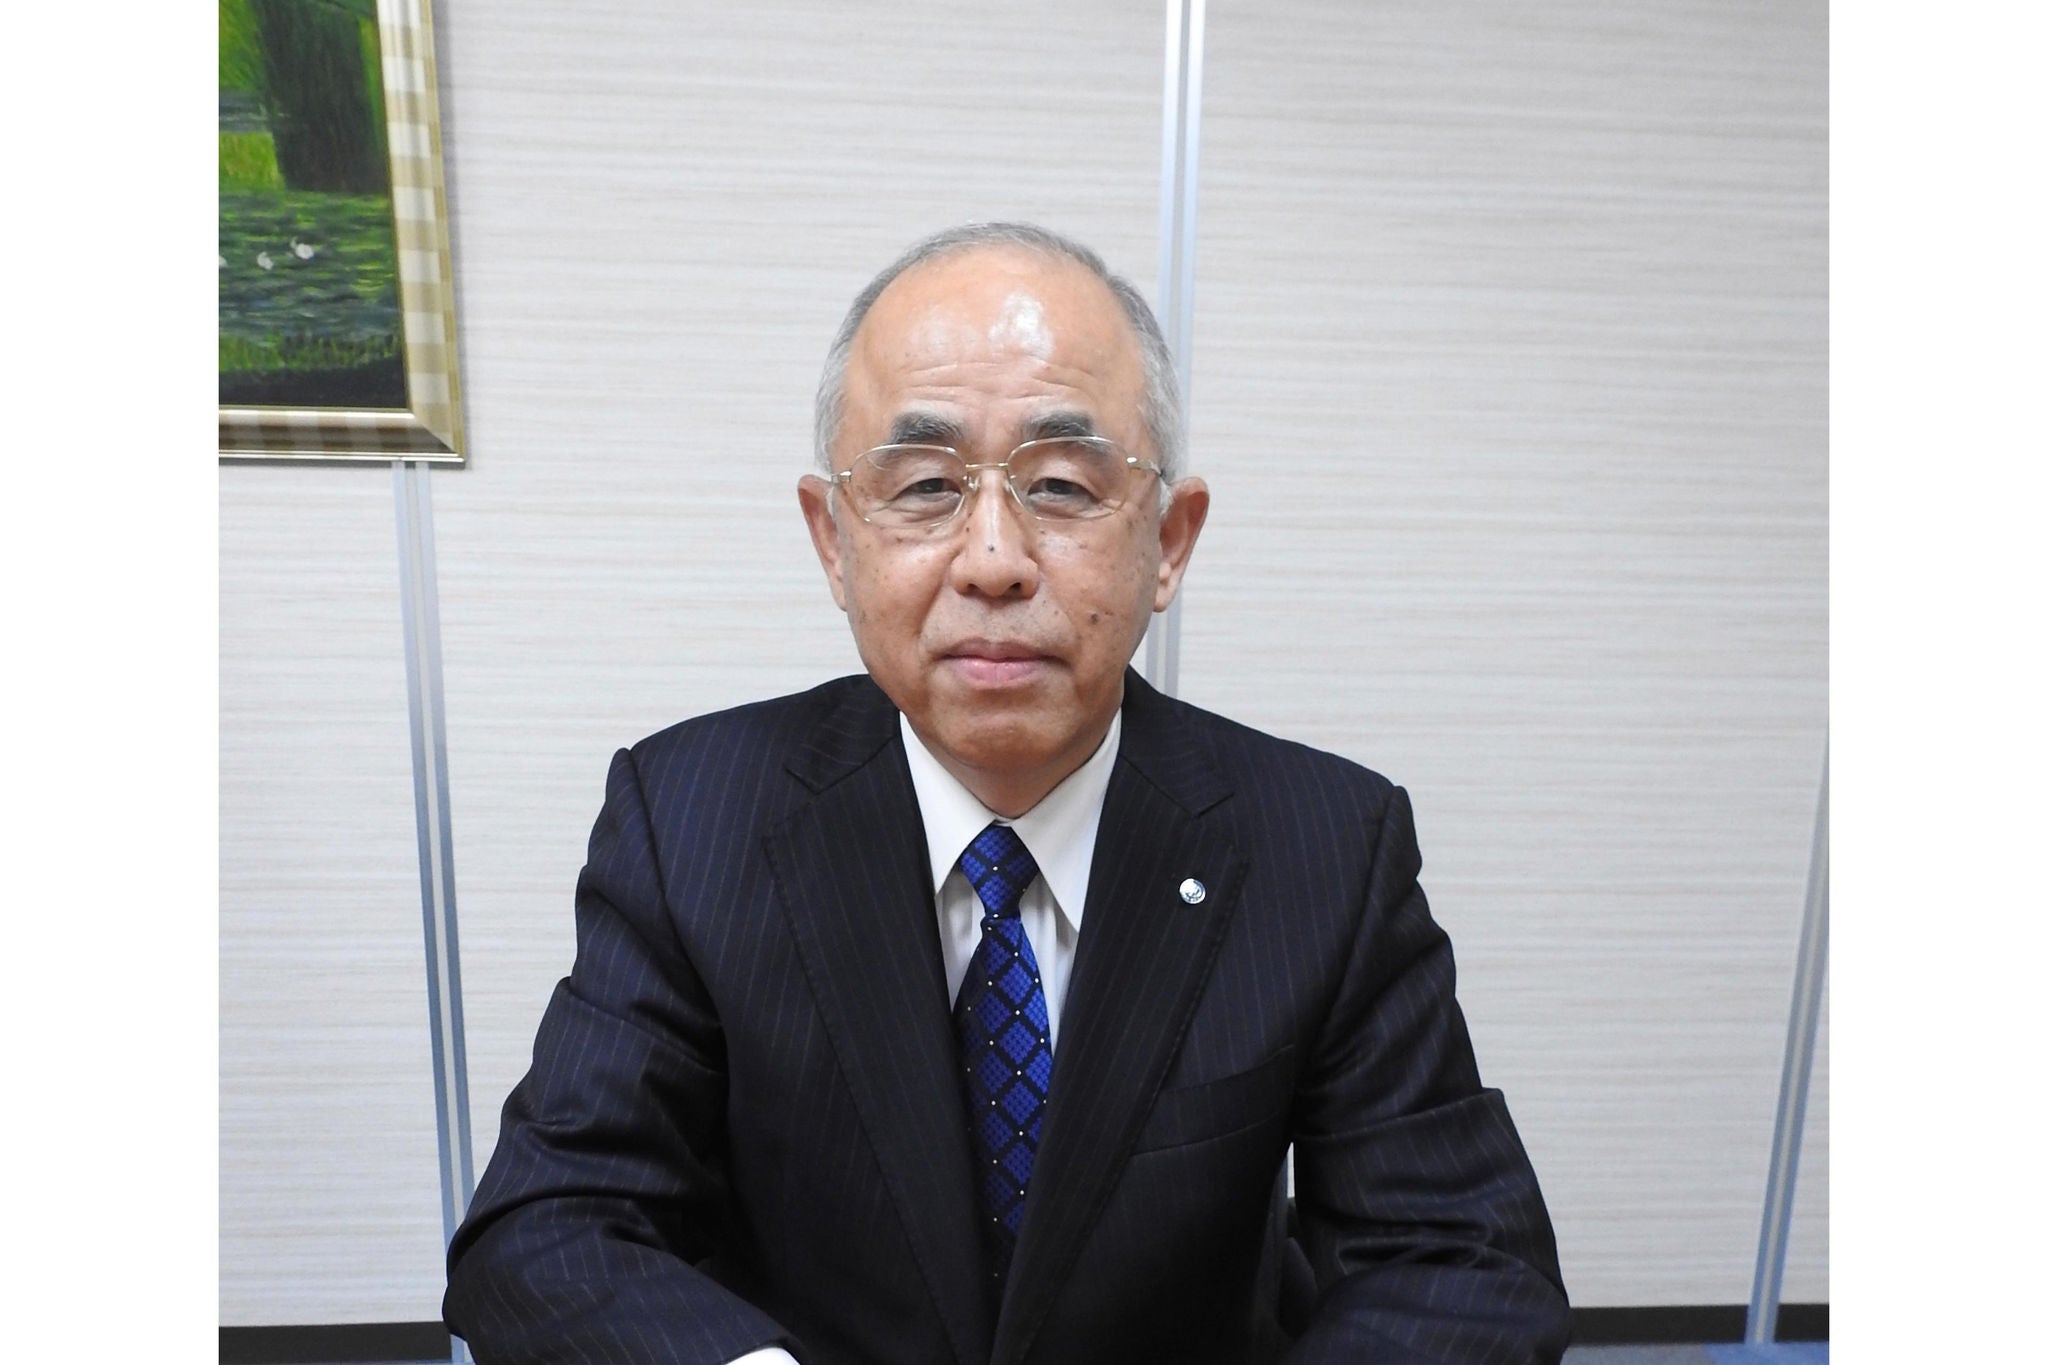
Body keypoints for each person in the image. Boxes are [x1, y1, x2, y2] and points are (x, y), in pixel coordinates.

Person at [444, 222, 1570, 1364]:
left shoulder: (1326, 845)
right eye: (926, 486)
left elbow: (1459, 1261)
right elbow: (548, 1228)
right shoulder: (690, 820)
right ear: (833, 541)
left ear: (1169, 542)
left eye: (1063, 486)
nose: (992, 560)